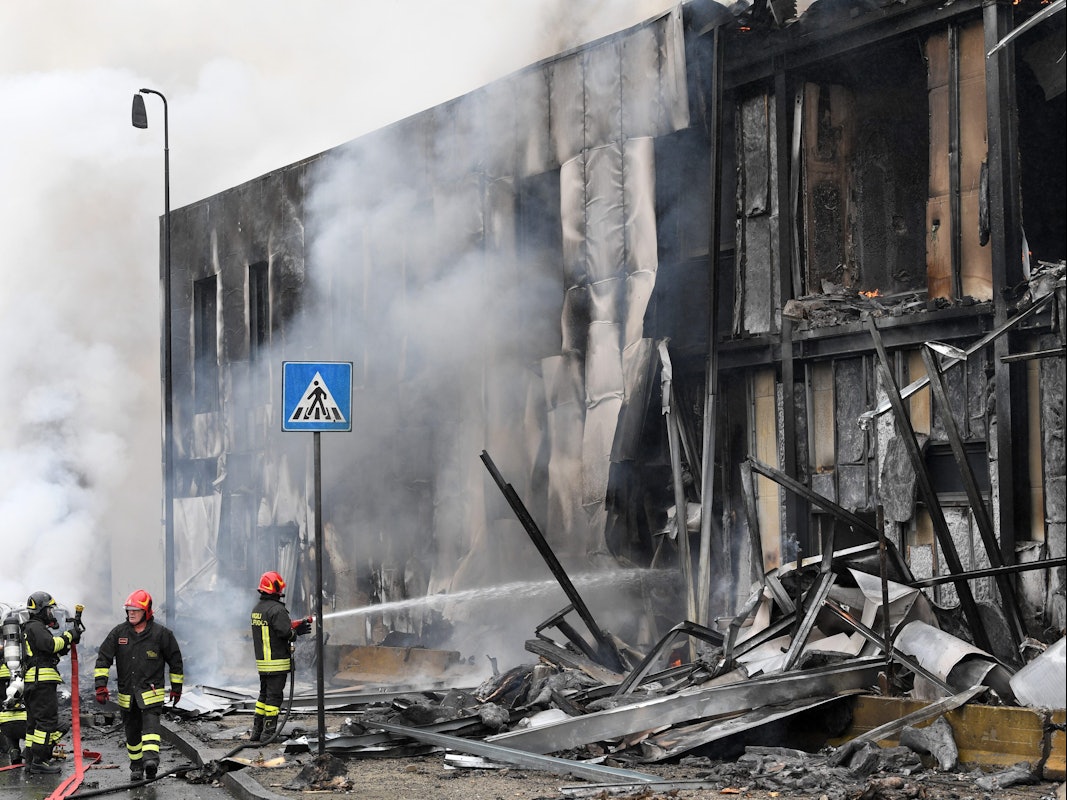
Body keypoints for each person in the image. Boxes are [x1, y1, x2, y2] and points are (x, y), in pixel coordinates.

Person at [93, 589, 183, 781]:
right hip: (128, 695)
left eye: (135, 610)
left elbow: (175, 661)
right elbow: (103, 659)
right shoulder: (118, 633)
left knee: (151, 729)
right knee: (132, 734)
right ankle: (136, 767)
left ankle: (151, 762)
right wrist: (100, 686)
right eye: (128, 609)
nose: (131, 613)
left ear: (147, 611)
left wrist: (176, 688)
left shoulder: (161, 634)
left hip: (151, 694)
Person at [22, 591, 79, 774]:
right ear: (41, 610)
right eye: (49, 610)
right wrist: (69, 636)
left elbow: (50, 652)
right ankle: (39, 761)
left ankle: (30, 759)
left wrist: (67, 644)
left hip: (33, 681)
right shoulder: (36, 627)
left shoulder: (30, 628)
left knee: (33, 724)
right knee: (46, 722)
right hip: (42, 681)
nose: (51, 614)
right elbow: (51, 645)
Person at [250, 571, 311, 742]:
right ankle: (268, 734)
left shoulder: (258, 609)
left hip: (263, 664)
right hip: (276, 662)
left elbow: (273, 628)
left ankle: (257, 732)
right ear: (274, 588)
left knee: (263, 696)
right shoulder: (277, 610)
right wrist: (295, 633)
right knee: (274, 698)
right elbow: (285, 632)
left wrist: (293, 625)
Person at [0, 607, 28, 767]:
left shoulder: (6, 635)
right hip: (10, 677)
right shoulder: (10, 635)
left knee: (7, 712)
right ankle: (15, 749)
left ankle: (11, 748)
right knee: (13, 710)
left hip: (6, 676)